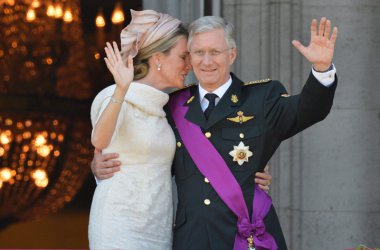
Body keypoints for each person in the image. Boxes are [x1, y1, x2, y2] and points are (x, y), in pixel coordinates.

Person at [92, 14, 338, 250]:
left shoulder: (261, 98)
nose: (206, 61)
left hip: (244, 235)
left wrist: (322, 69)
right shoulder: (173, 106)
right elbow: (148, 154)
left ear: (232, 54)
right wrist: (98, 161)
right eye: (198, 53)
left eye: (215, 52)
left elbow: (307, 110)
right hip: (192, 239)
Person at [88, 9, 191, 249]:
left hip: (157, 227)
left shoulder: (168, 107)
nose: (189, 65)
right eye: (182, 57)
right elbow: (100, 140)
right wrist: (121, 90)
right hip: (118, 225)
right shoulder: (116, 96)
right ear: (157, 58)